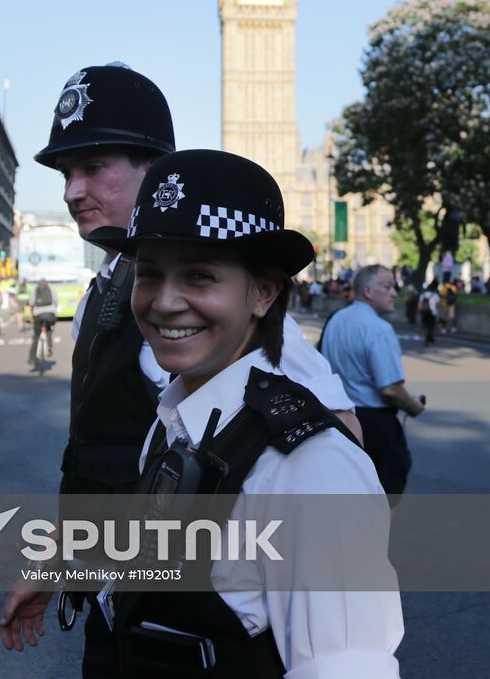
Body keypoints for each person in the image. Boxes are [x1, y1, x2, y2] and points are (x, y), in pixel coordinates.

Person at [0, 65, 362, 672]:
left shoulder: (223, 322)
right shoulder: (107, 294)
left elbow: (335, 438)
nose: (70, 191)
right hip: (127, 620)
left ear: (157, 172)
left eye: (93, 167)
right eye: (65, 173)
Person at [96, 150, 405, 676]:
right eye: (149, 274)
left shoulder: (310, 468)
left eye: (198, 276)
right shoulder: (172, 420)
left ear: (263, 294)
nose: (164, 301)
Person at [322, 264, 425, 499]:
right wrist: (414, 406)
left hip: (338, 419)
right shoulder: (379, 329)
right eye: (388, 287)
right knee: (385, 497)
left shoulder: (335, 320)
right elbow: (390, 388)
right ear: (368, 291)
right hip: (376, 425)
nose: (394, 293)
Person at [28, 278, 58, 367]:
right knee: (49, 329)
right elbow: (56, 301)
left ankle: (32, 357)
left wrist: (32, 314)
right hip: (50, 315)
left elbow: (31, 303)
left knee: (36, 336)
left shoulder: (35, 290)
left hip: (38, 315)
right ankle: (49, 347)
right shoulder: (51, 289)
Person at [418, 282, 440, 347]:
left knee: (426, 326)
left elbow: (420, 305)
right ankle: (429, 339)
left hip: (424, 312)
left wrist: (420, 312)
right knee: (431, 326)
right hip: (433, 313)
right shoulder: (435, 295)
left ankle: (429, 339)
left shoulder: (423, 295)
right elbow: (438, 305)